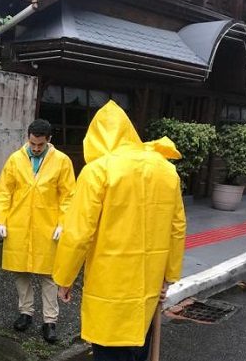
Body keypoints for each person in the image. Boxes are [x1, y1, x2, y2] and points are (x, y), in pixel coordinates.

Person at [52, 100, 186, 361]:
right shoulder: (166, 170)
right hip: (148, 285)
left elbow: (79, 232)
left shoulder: (98, 171)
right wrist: (168, 276)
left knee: (110, 348)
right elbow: (177, 227)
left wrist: (64, 278)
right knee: (140, 347)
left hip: (109, 286)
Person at [0, 119, 75, 343]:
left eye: (40, 144)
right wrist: (0, 220)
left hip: (47, 225)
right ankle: (25, 313)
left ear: (49, 140)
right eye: (33, 143)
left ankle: (50, 320)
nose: (36, 148)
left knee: (49, 276)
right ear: (28, 137)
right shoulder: (15, 159)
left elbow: (68, 195)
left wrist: (63, 223)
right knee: (21, 271)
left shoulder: (62, 162)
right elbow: (3, 190)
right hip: (19, 223)